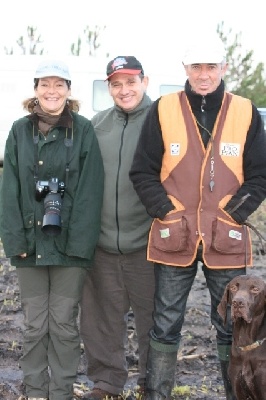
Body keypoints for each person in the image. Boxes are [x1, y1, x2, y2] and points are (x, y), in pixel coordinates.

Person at [129, 36, 266, 400]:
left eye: (211, 67)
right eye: (196, 68)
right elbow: (142, 172)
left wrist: (233, 215)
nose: (204, 75)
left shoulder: (246, 111)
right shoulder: (162, 109)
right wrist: (167, 211)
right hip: (175, 236)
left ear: (224, 69)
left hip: (227, 238)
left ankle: (236, 393)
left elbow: (260, 176)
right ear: (185, 71)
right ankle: (157, 394)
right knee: (166, 323)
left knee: (233, 325)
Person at [0, 59, 104, 400]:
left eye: (59, 85)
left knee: (61, 324)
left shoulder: (83, 129)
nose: (52, 91)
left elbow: (91, 191)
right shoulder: (19, 130)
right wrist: (15, 242)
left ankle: (60, 392)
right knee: (33, 325)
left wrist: (80, 246)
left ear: (69, 91)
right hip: (29, 244)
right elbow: (10, 190)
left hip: (69, 247)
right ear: (35, 90)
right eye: (45, 84)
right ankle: (34, 391)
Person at [80, 56, 155, 400]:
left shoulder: (162, 121)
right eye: (116, 83)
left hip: (149, 244)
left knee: (153, 320)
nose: (124, 90)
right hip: (103, 243)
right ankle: (107, 383)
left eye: (130, 81)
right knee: (101, 321)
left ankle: (152, 383)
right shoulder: (98, 124)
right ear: (109, 87)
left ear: (145, 81)